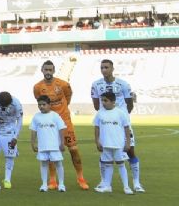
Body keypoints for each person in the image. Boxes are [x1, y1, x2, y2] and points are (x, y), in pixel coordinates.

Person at [90, 59, 142, 192]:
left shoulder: (123, 84)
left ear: (112, 69)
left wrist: (121, 115)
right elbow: (96, 105)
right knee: (104, 152)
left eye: (106, 67)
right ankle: (104, 182)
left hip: (121, 122)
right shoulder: (96, 85)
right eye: (102, 67)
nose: (104, 70)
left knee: (130, 150)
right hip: (105, 123)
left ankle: (136, 183)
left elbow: (129, 103)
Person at [34, 60, 87, 189]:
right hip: (49, 123)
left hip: (64, 121)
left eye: (50, 70)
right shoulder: (37, 87)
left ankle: (81, 178)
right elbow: (40, 101)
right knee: (51, 150)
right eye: (45, 70)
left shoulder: (63, 85)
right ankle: (52, 180)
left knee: (73, 149)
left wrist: (62, 111)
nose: (48, 72)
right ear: (42, 70)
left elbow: (68, 98)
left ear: (54, 70)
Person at [93, 91, 134, 194]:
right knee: (108, 164)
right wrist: (97, 141)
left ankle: (126, 187)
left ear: (113, 101)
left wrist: (128, 143)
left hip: (118, 144)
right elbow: (97, 128)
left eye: (105, 100)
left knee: (121, 164)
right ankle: (107, 186)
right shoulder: (100, 113)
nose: (103, 102)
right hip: (105, 144)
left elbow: (126, 129)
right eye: (102, 100)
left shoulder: (120, 113)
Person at [30, 95, 67, 193]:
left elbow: (61, 129)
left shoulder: (55, 115)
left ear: (49, 105)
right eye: (39, 105)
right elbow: (33, 131)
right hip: (42, 146)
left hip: (54, 146)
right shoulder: (36, 117)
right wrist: (33, 143)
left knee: (58, 164)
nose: (41, 106)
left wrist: (62, 143)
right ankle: (44, 184)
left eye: (44, 104)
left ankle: (62, 184)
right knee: (43, 164)